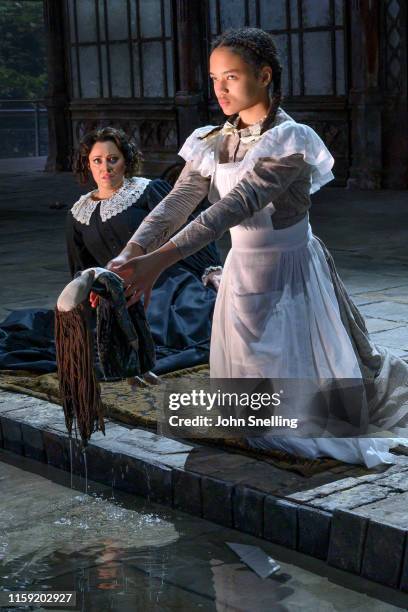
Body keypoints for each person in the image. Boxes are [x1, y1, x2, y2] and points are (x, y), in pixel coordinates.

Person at [106, 28, 408, 467]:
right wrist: (131, 253)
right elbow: (178, 201)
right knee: (248, 409)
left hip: (290, 272)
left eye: (230, 76)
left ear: (264, 75)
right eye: (213, 79)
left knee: (312, 416)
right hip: (243, 270)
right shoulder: (212, 139)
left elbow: (234, 206)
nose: (220, 89)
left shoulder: (291, 139)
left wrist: (159, 261)